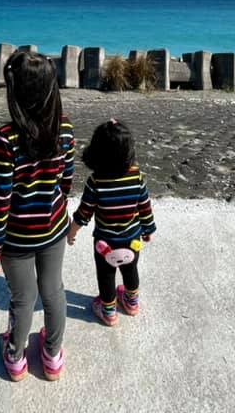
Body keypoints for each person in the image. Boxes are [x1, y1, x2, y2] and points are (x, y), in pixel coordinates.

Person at [0, 50, 75, 381]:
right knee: (54, 291)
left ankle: (15, 357)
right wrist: (57, 205)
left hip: (16, 238)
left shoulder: (6, 138)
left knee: (23, 299)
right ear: (53, 89)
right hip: (53, 229)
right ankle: (52, 356)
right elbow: (67, 178)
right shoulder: (64, 129)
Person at [68, 119, 156, 326]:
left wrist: (72, 232)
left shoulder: (96, 181)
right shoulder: (137, 177)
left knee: (106, 276)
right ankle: (131, 302)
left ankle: (108, 311)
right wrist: (148, 229)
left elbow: (84, 213)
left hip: (105, 244)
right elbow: (145, 206)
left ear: (97, 152)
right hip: (132, 239)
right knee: (131, 269)